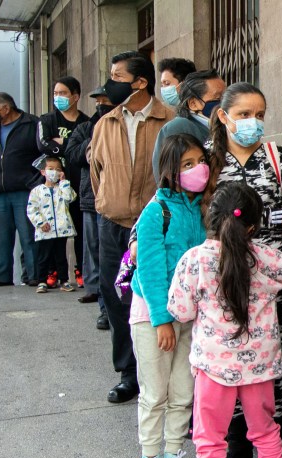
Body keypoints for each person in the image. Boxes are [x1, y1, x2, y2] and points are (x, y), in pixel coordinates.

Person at [168, 181, 282, 458]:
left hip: (214, 367)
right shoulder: (262, 255)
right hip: (259, 366)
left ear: (210, 217)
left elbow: (180, 310)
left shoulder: (196, 260)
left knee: (209, 435)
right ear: (252, 227)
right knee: (264, 426)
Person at [206, 81, 282, 458]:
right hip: (223, 281)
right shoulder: (207, 161)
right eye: (244, 114)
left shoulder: (277, 157)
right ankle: (237, 447)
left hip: (272, 282)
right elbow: (193, 210)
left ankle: (274, 449)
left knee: (271, 362)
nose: (253, 123)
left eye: (259, 115)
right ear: (223, 117)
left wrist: (253, 224)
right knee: (227, 363)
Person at [130, 134, 211, 458]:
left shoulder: (200, 209)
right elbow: (149, 267)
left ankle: (172, 457)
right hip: (153, 316)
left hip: (189, 319)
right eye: (187, 165)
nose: (198, 170)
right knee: (154, 393)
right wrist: (162, 320)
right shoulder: (156, 210)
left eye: (200, 161)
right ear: (170, 171)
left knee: (183, 392)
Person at [90, 51, 173, 403]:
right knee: (116, 296)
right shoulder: (105, 123)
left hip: (156, 225)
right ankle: (129, 373)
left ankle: (164, 372)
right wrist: (108, 202)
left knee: (158, 296)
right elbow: (97, 172)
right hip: (113, 224)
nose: (110, 82)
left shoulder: (168, 120)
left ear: (139, 82)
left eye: (117, 76)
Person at [38, 76, 91, 289]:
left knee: (79, 229)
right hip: (52, 187)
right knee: (51, 228)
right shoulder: (47, 120)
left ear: (75, 97)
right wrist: (71, 147)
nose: (58, 97)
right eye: (55, 93)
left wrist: (63, 143)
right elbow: (43, 144)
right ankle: (51, 272)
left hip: (78, 183)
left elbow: (87, 145)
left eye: (63, 93)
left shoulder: (86, 122)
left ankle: (81, 270)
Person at [0, 91, 41, 287]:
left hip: (24, 189)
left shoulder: (32, 124)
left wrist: (35, 180)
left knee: (29, 234)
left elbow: (44, 153)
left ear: (6, 108)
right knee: (0, 236)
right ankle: (1, 276)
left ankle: (34, 275)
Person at [64, 87, 112, 320]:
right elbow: (71, 154)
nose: (101, 104)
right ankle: (93, 288)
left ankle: (109, 296)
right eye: (98, 100)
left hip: (115, 197)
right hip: (90, 195)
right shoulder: (85, 128)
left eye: (105, 99)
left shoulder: (120, 125)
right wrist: (92, 145)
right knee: (92, 245)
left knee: (109, 249)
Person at [153, 69, 225, 177]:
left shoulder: (224, 126)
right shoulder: (180, 127)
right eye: (218, 98)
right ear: (193, 104)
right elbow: (166, 176)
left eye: (227, 97)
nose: (225, 102)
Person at [25, 155, 76, 293]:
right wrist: (40, 223)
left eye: (57, 169)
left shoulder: (62, 188)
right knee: (44, 257)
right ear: (43, 171)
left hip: (61, 230)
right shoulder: (37, 191)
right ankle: (41, 281)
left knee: (61, 257)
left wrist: (64, 182)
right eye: (50, 169)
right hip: (45, 231)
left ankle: (64, 281)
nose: (54, 171)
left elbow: (70, 198)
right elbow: (31, 209)